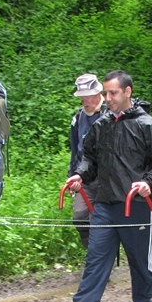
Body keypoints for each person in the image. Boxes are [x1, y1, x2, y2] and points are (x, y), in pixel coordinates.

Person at [54, 70, 152, 302]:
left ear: (127, 92)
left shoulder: (147, 126)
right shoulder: (102, 125)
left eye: (113, 93)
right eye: (107, 93)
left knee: (139, 260)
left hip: (135, 205)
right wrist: (80, 175)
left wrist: (149, 182)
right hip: (104, 204)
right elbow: (90, 159)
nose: (107, 98)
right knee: (96, 257)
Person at [68, 73, 105, 248]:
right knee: (80, 217)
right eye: (82, 97)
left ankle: (101, 261)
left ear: (98, 93)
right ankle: (92, 254)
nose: (85, 101)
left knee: (101, 220)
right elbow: (75, 150)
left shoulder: (110, 113)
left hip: (107, 178)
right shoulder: (78, 118)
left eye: (89, 96)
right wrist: (72, 175)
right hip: (84, 177)